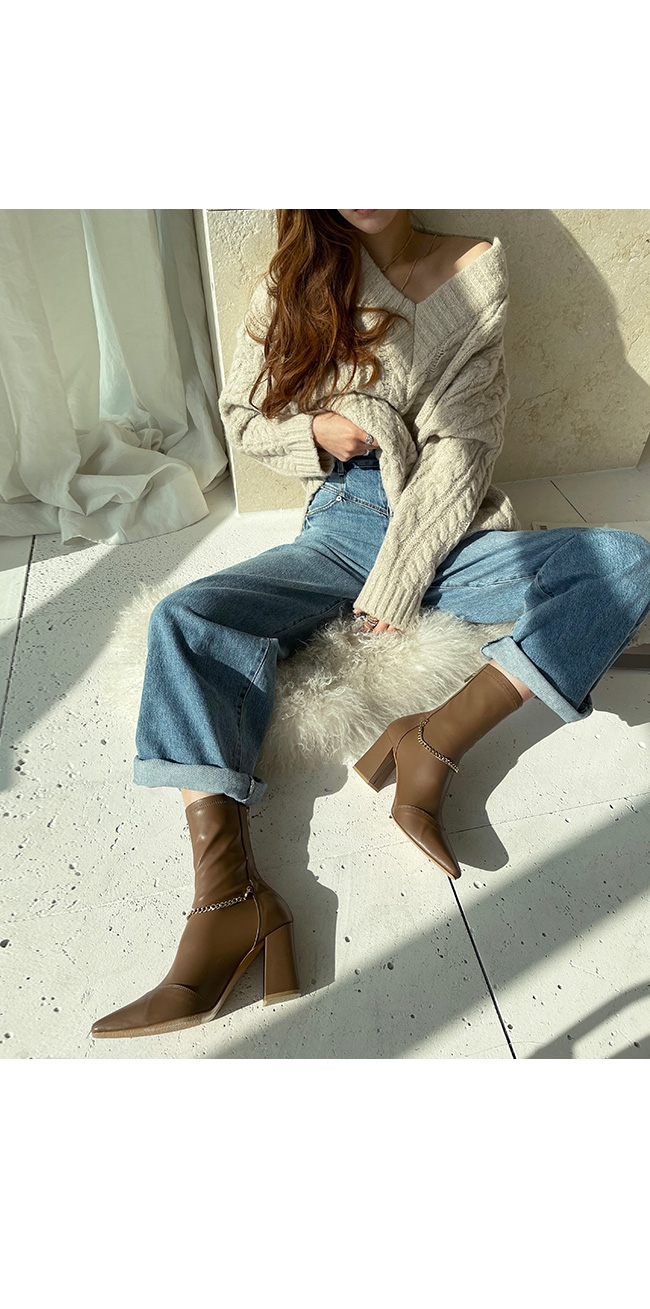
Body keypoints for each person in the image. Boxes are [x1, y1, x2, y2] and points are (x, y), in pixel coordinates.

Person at [91, 209, 650, 1039]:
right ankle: (230, 898)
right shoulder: (296, 277)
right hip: (341, 523)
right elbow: (241, 415)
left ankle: (431, 741)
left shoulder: (476, 272)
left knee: (626, 563)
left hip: (448, 529)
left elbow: (463, 449)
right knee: (184, 618)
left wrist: (400, 579)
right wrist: (316, 430)